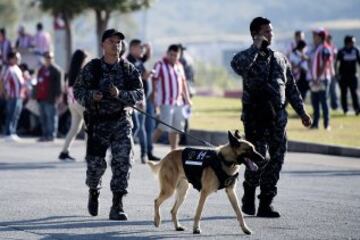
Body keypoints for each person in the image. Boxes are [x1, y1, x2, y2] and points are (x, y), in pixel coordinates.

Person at [231, 17, 312, 218]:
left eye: (271, 31)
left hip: (278, 119)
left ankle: (266, 203)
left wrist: (302, 112)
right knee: (259, 158)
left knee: (276, 160)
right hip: (255, 119)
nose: (270, 34)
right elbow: (238, 67)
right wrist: (256, 48)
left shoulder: (280, 59)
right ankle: (249, 192)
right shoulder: (247, 57)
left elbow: (291, 88)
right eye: (266, 31)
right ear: (255, 34)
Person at [74, 29, 144, 221]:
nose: (116, 45)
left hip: (121, 121)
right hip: (98, 123)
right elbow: (78, 90)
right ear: (103, 44)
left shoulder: (128, 69)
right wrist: (91, 96)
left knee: (123, 161)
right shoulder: (93, 68)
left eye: (119, 42)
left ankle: (117, 205)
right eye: (112, 41)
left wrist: (120, 94)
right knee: (95, 166)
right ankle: (94, 189)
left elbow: (139, 93)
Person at [151, 44, 192, 151]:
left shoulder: (180, 66)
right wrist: (155, 99)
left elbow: (183, 83)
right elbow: (154, 82)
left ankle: (174, 151)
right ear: (167, 53)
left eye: (175, 55)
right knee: (162, 127)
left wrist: (187, 98)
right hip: (166, 101)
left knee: (176, 128)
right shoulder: (160, 64)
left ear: (179, 56)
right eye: (171, 55)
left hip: (178, 102)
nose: (173, 57)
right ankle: (148, 148)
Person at [127, 39, 159, 162]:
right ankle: (124, 149)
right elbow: (135, 78)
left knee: (143, 127)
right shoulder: (128, 61)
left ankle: (145, 154)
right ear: (133, 48)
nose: (142, 50)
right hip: (134, 99)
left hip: (143, 98)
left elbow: (148, 55)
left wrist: (148, 46)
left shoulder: (138, 60)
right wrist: (147, 75)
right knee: (136, 127)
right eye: (140, 48)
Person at [58, 50, 87, 161]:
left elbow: (65, 88)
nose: (85, 61)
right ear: (81, 60)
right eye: (84, 59)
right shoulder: (82, 72)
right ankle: (89, 154)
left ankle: (64, 152)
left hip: (72, 103)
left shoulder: (70, 73)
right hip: (81, 103)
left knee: (74, 128)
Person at [35, 51, 63, 141]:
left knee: (51, 117)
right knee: (43, 118)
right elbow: (38, 83)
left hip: (51, 97)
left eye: (50, 57)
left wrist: (58, 96)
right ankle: (45, 135)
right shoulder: (41, 69)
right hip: (41, 97)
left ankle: (51, 135)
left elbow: (60, 85)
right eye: (47, 57)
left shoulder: (56, 70)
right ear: (44, 59)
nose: (48, 59)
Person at [309, 29, 332, 130]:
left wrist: (318, 77)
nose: (314, 38)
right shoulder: (317, 48)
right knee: (315, 102)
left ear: (320, 37)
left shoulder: (325, 48)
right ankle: (315, 124)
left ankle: (326, 124)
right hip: (315, 80)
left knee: (324, 102)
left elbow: (326, 63)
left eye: (316, 36)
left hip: (322, 79)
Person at [2, 51, 26, 141]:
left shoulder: (17, 69)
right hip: (12, 95)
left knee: (16, 115)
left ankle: (13, 131)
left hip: (19, 95)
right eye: (17, 58)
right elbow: (2, 81)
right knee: (11, 114)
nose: (18, 59)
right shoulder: (9, 69)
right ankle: (8, 132)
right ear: (11, 59)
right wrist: (5, 93)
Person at [336, 35, 360, 115]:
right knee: (344, 93)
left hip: (353, 76)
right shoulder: (341, 51)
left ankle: (357, 109)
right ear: (347, 43)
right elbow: (337, 63)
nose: (353, 43)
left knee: (354, 93)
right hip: (343, 76)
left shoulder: (356, 51)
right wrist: (337, 74)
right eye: (352, 42)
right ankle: (345, 109)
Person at [326, 34, 339, 110]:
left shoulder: (333, 48)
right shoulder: (325, 48)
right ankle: (328, 106)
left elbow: (335, 60)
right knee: (327, 91)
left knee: (333, 90)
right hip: (326, 73)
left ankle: (335, 106)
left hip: (332, 72)